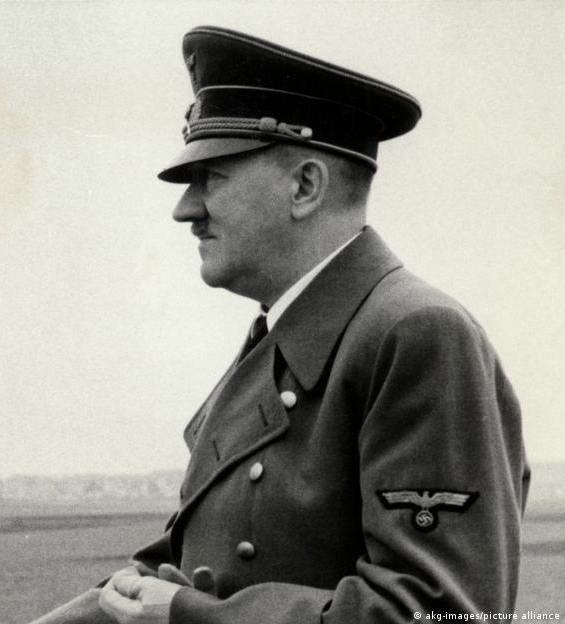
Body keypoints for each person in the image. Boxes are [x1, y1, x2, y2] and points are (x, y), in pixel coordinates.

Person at [32, 26, 529, 624]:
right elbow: (172, 570)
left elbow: (440, 614)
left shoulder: (417, 334)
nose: (185, 209)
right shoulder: (287, 338)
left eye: (210, 177)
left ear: (304, 186)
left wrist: (190, 615)